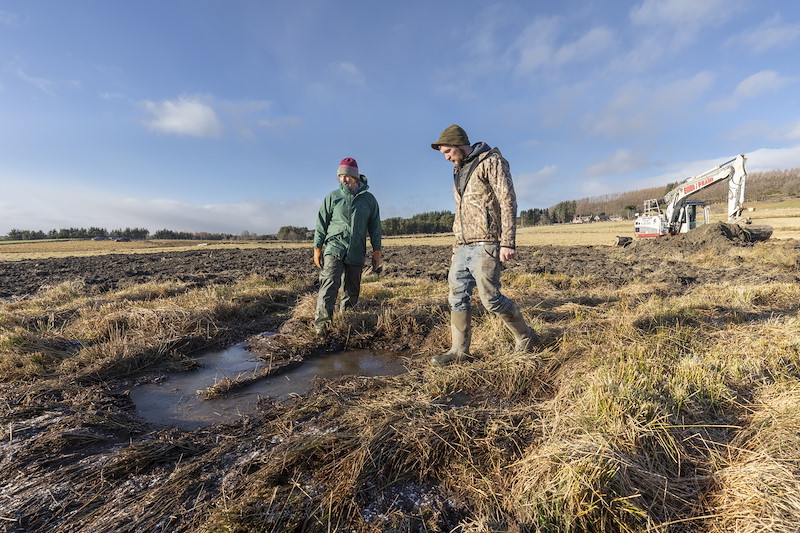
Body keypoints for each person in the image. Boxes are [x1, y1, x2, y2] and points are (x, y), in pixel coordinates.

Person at [429, 124, 538, 366]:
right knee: (456, 297)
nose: (446, 157)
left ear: (458, 144)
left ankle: (526, 337)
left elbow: (507, 200)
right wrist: (457, 244)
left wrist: (507, 241)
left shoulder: (492, 161)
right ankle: (459, 351)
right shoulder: (459, 170)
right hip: (462, 245)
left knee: (491, 299)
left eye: (447, 151)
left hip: (487, 243)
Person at [313, 157, 382, 334]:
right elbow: (321, 223)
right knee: (329, 283)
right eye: (341, 176)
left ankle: (346, 322)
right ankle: (322, 325)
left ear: (356, 177)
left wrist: (376, 251)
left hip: (357, 250)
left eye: (347, 176)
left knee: (352, 289)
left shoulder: (369, 200)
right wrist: (317, 248)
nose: (344, 179)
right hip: (335, 247)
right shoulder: (333, 197)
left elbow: (375, 227)